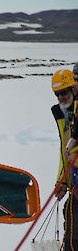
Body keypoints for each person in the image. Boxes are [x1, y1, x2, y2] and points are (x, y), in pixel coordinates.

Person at [51, 69, 78, 250]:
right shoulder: (63, 114)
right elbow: (64, 152)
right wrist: (61, 181)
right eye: (57, 94)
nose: (61, 97)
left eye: (64, 92)